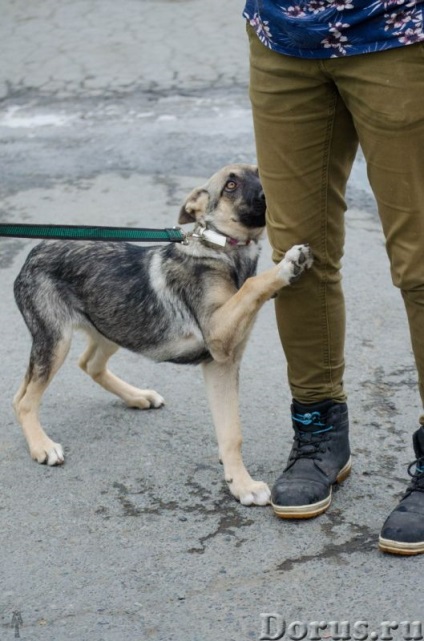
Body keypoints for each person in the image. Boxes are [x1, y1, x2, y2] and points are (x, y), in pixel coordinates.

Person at [243, 0, 424, 555]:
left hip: (400, 35)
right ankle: (319, 429)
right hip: (282, 38)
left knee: (420, 263)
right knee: (296, 256)